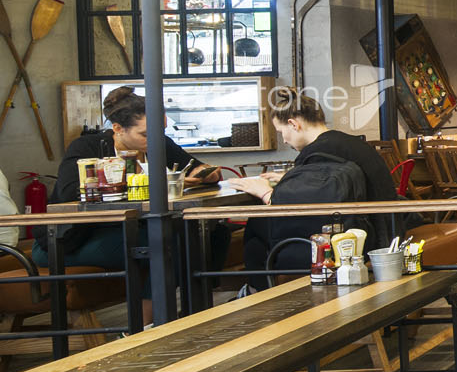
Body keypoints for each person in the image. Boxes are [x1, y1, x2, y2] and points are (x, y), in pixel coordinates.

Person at [39, 87, 220, 283]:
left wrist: (206, 174)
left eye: (161, 131)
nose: (155, 139)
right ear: (118, 128)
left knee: (215, 234)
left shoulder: (158, 144)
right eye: (145, 134)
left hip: (128, 229)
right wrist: (153, 183)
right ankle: (153, 304)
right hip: (71, 240)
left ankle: (203, 299)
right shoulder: (87, 147)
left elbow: (195, 167)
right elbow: (70, 192)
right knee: (170, 242)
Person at [234, 91, 400, 283]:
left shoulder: (317, 152)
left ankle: (259, 290)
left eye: (281, 132)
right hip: (387, 227)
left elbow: (309, 203)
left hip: (369, 239)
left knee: (256, 228)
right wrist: (289, 179)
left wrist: (266, 193)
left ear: (293, 124)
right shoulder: (346, 143)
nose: (285, 140)